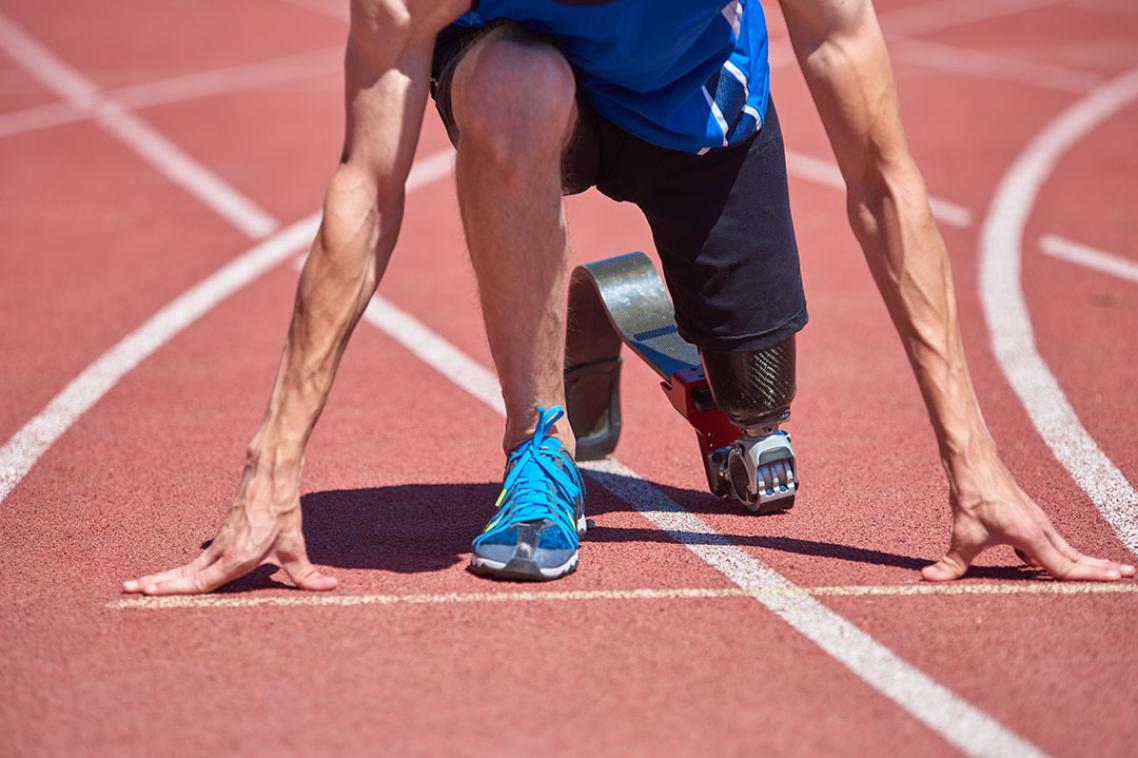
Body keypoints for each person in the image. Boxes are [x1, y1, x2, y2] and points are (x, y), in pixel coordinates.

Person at [123, 0, 1134, 594]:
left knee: (760, 408)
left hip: (695, 99)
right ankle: (538, 447)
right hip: (517, 75)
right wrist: (272, 466)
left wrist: (975, 466)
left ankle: (644, 325)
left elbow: (880, 179)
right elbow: (364, 186)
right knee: (518, 89)